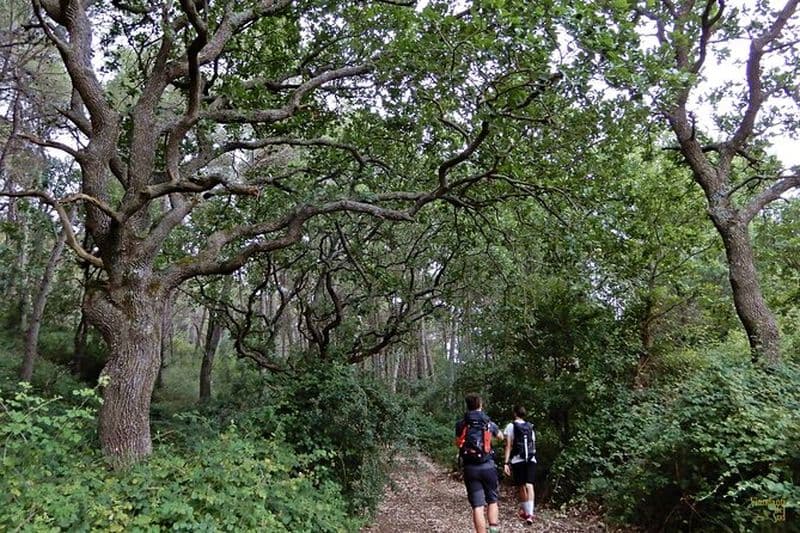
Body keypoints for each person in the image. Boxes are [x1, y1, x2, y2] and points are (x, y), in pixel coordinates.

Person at [455, 393, 504, 533]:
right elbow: (500, 437)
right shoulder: (488, 422)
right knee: (492, 500)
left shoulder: (461, 424)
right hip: (488, 466)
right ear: (480, 405)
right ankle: (493, 529)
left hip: (470, 468)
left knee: (477, 506)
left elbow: (458, 442)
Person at [503, 405, 537, 524]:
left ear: (514, 414)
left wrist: (506, 462)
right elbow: (533, 444)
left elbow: (508, 446)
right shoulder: (530, 427)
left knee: (521, 486)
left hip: (518, 460)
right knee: (530, 485)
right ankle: (530, 514)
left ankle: (527, 513)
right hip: (531, 459)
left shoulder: (511, 426)